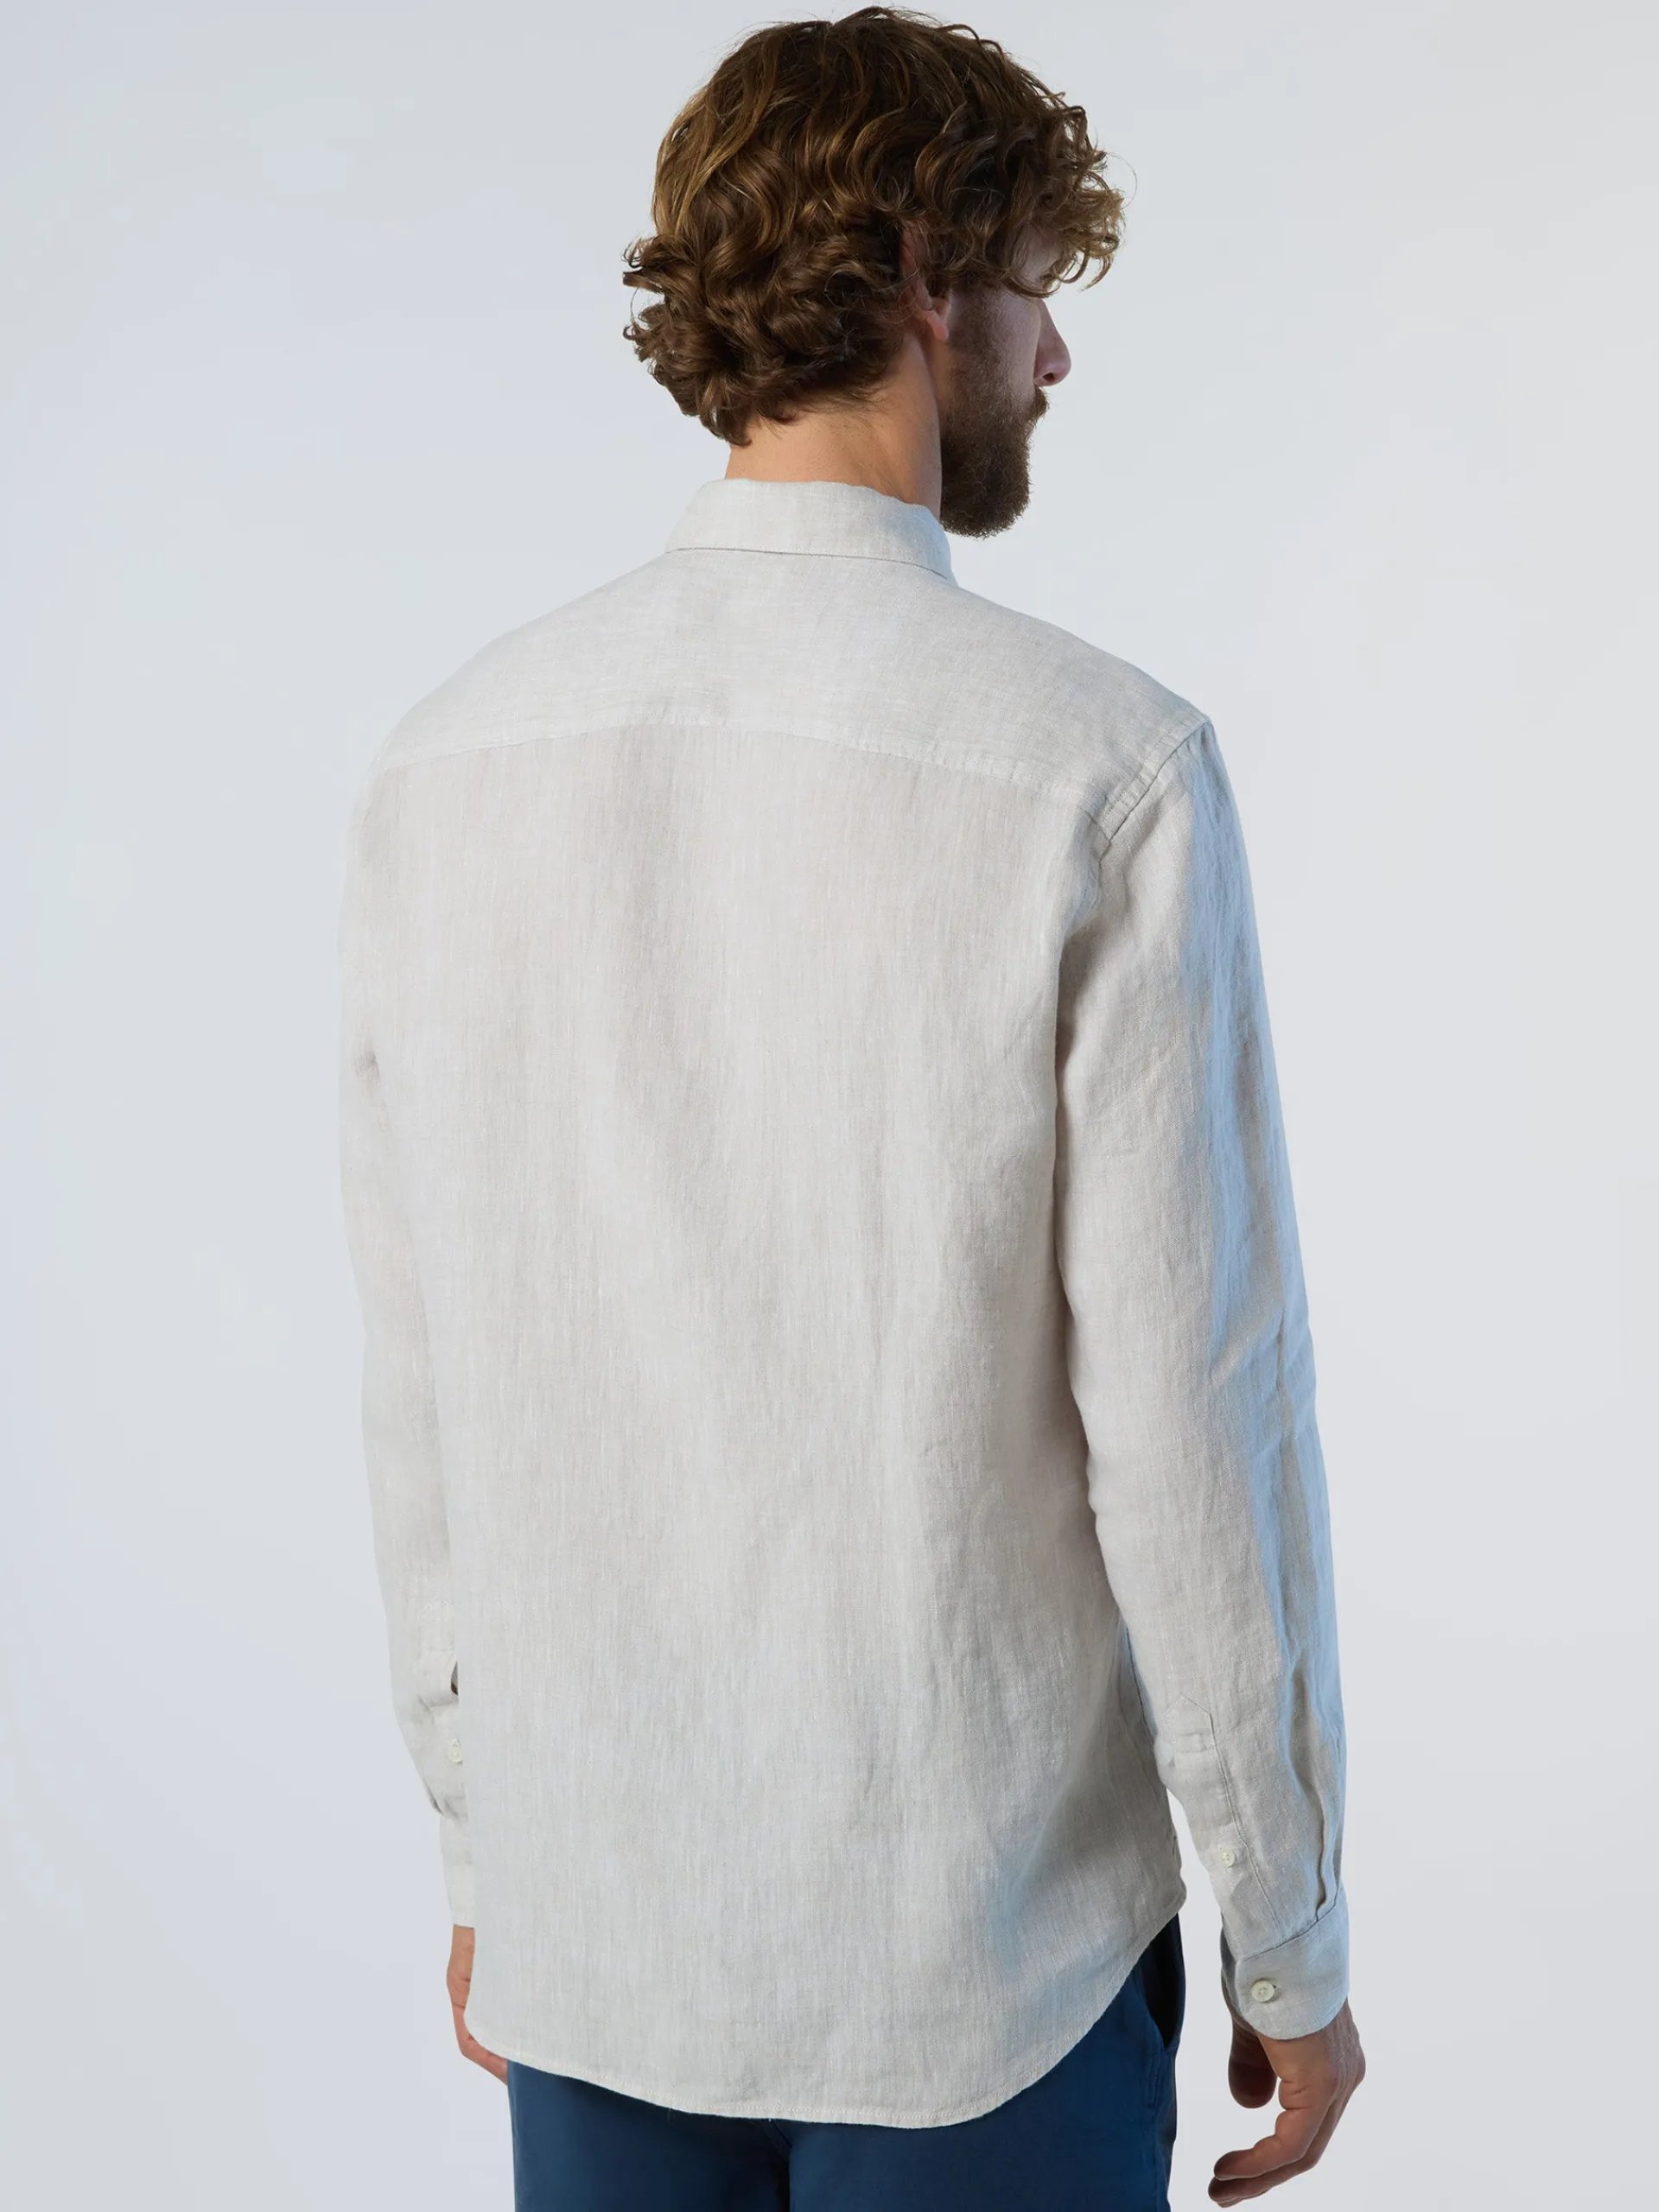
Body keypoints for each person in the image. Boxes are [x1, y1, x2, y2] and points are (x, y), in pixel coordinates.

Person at [336, 10, 1364, 2207]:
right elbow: (1199, 1427)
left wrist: (482, 1845)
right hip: (984, 1975)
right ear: (923, 276)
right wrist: (1290, 1929)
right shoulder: (1101, 771)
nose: (1055, 358)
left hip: (602, 1940)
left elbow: (422, 1393)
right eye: (1036, 290)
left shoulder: (448, 762)